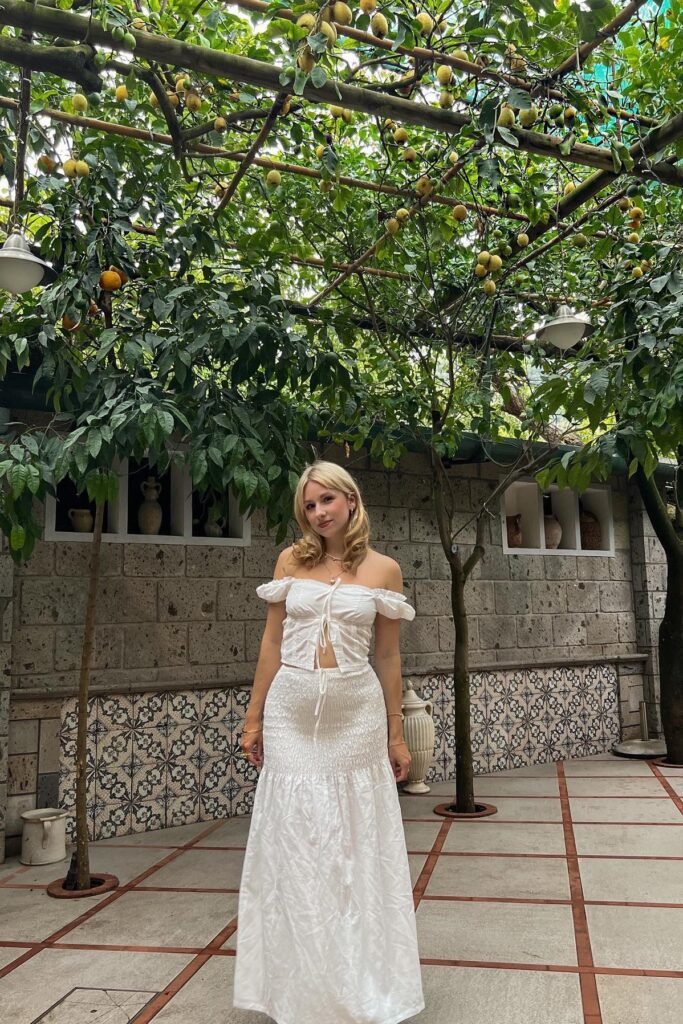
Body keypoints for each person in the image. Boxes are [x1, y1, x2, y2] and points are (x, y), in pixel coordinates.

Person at [233, 460, 425, 1024]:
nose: (318, 513)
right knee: (295, 841)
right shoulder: (290, 562)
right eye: (309, 505)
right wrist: (253, 718)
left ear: (351, 501)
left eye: (326, 501)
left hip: (356, 714)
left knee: (351, 845)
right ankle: (295, 990)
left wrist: (396, 732)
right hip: (292, 712)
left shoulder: (384, 570)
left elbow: (388, 655)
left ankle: (358, 984)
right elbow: (271, 642)